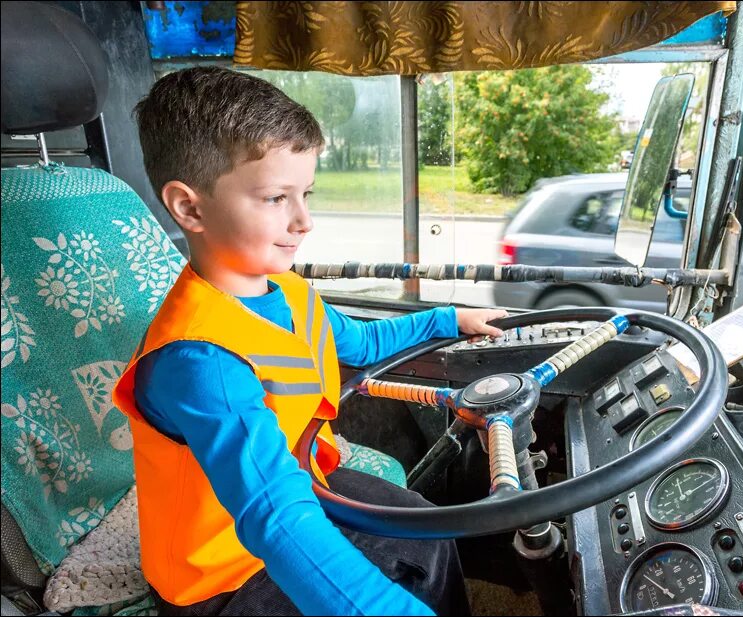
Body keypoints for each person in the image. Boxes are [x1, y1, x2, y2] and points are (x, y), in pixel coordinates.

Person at [112, 66, 508, 616]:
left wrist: (447, 319)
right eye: (277, 198)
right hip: (221, 574)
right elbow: (274, 516)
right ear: (190, 208)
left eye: (307, 194)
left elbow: (360, 344)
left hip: (304, 476)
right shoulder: (198, 360)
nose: (305, 221)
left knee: (427, 533)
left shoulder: (290, 291)